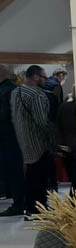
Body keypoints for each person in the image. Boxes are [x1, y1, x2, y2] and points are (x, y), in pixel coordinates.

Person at [10, 65, 56, 216]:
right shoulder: (36, 94)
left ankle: (31, 208)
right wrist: (54, 133)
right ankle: (38, 209)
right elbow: (42, 121)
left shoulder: (16, 92)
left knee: (31, 177)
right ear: (36, 77)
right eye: (44, 77)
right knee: (40, 178)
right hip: (39, 142)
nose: (46, 80)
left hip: (23, 141)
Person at [0, 66, 26, 216]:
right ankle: (19, 202)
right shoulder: (13, 88)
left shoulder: (6, 90)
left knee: (13, 171)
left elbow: (4, 115)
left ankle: (18, 204)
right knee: (14, 171)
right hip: (14, 135)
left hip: (8, 137)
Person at [56, 88, 76, 194]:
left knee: (75, 182)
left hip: (67, 149)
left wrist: (59, 146)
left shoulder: (64, 107)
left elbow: (58, 127)